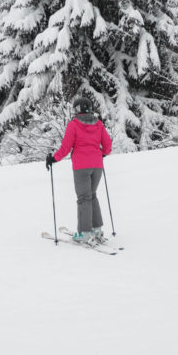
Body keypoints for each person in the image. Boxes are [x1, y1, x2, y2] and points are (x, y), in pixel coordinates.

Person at [46, 96, 113, 244]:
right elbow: (107, 146)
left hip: (81, 167)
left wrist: (53, 159)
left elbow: (66, 148)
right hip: (97, 166)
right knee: (92, 195)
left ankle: (84, 233)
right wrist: (100, 153)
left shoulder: (74, 125)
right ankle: (97, 231)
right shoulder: (99, 124)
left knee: (84, 198)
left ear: (77, 109)